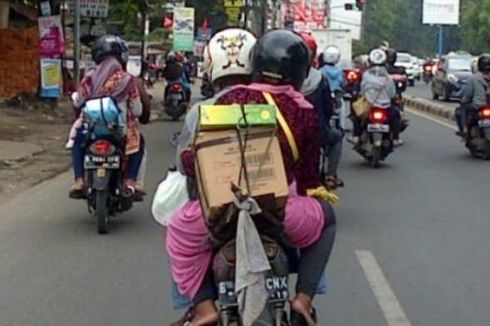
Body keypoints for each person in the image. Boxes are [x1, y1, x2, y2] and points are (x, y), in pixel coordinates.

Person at [166, 29, 337, 326]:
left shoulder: (225, 102)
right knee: (328, 219)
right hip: (278, 213)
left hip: (222, 212)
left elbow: (196, 160)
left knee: (177, 230)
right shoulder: (303, 110)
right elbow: (310, 181)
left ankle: (204, 307)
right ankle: (303, 299)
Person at [68, 35, 146, 198]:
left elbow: (78, 101)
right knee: (139, 144)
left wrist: (75, 97)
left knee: (77, 143)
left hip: (91, 129)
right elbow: (137, 110)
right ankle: (130, 181)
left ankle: (79, 180)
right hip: (119, 131)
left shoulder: (89, 77)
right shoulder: (127, 80)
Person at [300, 33, 344, 190]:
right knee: (337, 136)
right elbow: (328, 108)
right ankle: (331, 175)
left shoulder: (279, 78)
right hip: (316, 132)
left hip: (284, 134)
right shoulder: (319, 78)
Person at [352, 48, 402, 146]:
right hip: (385, 106)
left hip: (369, 106)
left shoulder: (365, 76)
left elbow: (362, 90)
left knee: (356, 113)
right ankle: (395, 138)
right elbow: (392, 93)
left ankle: (356, 136)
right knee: (396, 114)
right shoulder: (388, 78)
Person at [455, 54, 490, 136]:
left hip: (478, 105)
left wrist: (463, 100)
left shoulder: (473, 78)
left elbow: (467, 94)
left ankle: (465, 129)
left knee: (461, 109)